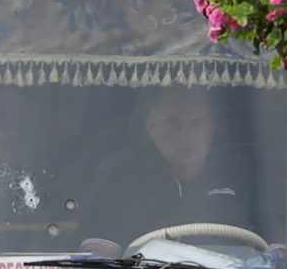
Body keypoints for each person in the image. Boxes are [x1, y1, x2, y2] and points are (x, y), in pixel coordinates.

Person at [80, 87, 251, 257]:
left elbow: (272, 243)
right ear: (151, 127)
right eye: (173, 125)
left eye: (197, 124)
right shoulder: (119, 178)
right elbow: (99, 258)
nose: (185, 136)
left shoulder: (240, 174)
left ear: (212, 128)